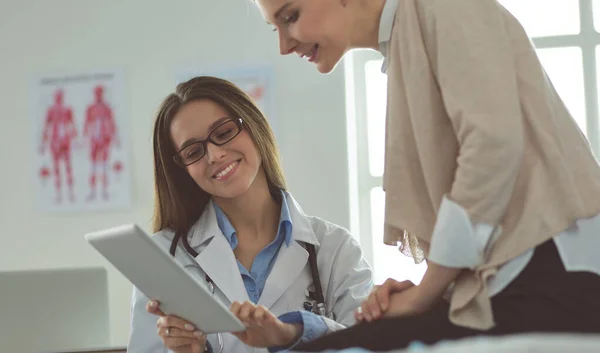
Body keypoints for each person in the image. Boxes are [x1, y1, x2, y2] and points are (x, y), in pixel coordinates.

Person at [253, 0, 600, 351]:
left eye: (290, 17)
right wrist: (437, 291)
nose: (284, 46)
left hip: (558, 276)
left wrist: (425, 294)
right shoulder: (407, 41)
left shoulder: (443, 7)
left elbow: (492, 146)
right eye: (274, 29)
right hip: (509, 280)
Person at [127, 76, 373, 353]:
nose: (215, 155)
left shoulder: (336, 249)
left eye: (222, 133)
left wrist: (293, 334)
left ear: (253, 125)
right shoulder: (164, 258)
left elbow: (368, 346)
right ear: (183, 170)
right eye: (194, 151)